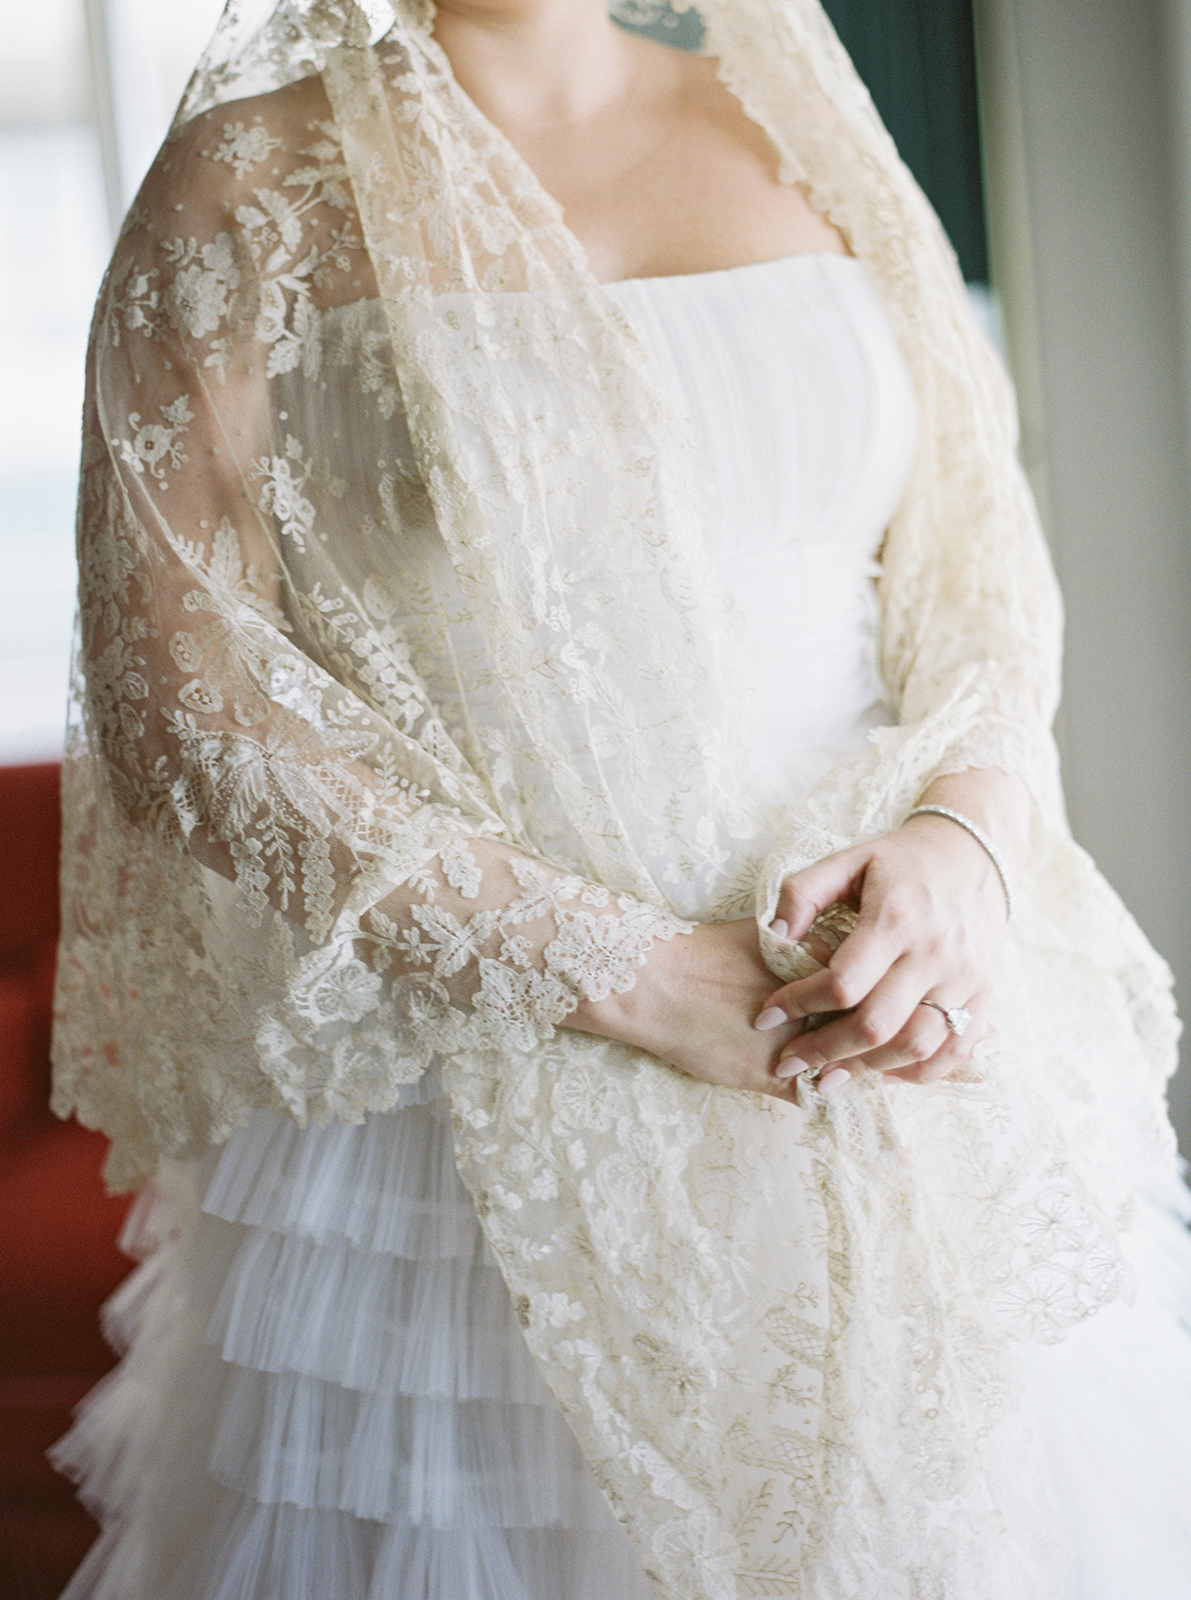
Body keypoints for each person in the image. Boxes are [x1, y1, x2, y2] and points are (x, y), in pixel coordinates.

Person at [49, 0, 1191, 1594]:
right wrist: (626, 976)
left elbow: (977, 579)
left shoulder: (799, 120)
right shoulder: (245, 177)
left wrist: (964, 841)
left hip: (902, 1053)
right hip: (472, 1113)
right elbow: (178, 704)